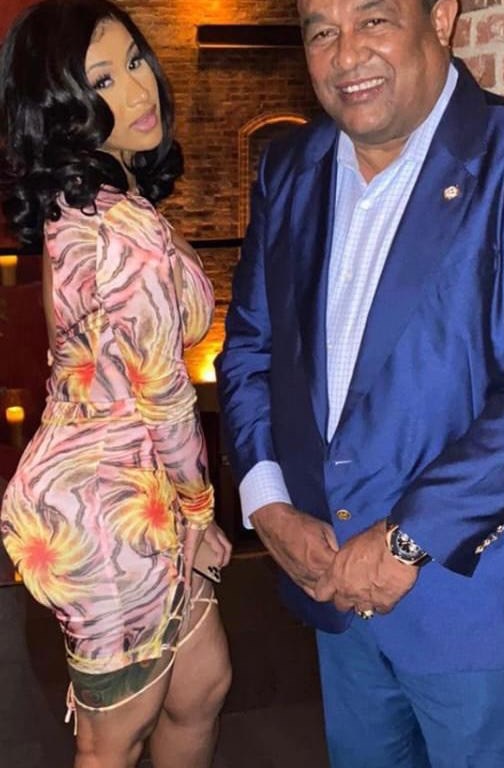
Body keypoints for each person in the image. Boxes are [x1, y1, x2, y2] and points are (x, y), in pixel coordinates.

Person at [216, 0, 504, 766]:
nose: (346, 55)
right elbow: (250, 348)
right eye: (322, 31)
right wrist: (267, 503)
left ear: (441, 17)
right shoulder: (288, 168)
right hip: (333, 584)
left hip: (485, 604)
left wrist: (409, 539)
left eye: (374, 20)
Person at [0, 1, 232, 766]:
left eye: (135, 62)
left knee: (200, 683)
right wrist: (200, 512)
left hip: (124, 483)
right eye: (101, 81)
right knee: (110, 743)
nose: (138, 91)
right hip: (109, 511)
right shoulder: (121, 230)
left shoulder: (91, 205)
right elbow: (165, 397)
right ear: (62, 109)